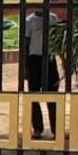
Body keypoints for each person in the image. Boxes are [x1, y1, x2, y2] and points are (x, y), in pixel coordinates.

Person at [23, 8, 62, 139]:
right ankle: (37, 128)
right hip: (34, 60)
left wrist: (62, 58)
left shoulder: (53, 18)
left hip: (50, 60)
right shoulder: (29, 21)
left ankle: (57, 130)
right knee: (33, 96)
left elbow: (58, 40)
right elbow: (25, 44)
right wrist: (25, 67)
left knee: (53, 95)